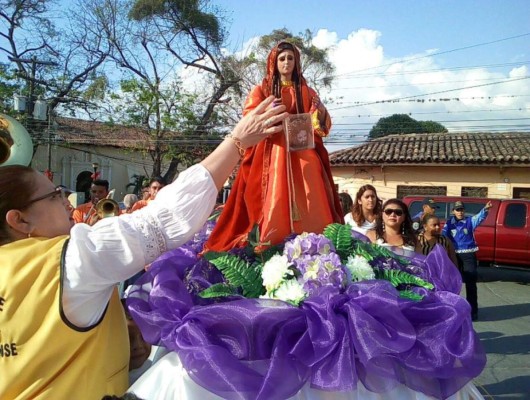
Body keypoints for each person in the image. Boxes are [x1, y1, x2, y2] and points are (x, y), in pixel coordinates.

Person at [0, 95, 288, 399]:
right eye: (54, 196)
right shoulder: (70, 260)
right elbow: (165, 218)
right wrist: (238, 141)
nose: (64, 202)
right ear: (19, 220)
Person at [205, 41, 343, 252]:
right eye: (282, 59)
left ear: (296, 62)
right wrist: (270, 114)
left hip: (302, 146)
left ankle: (317, 236)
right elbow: (250, 117)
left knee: (312, 172)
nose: (286, 62)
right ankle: (272, 235)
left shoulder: (307, 90)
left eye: (290, 58)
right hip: (273, 147)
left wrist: (319, 111)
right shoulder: (262, 89)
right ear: (274, 63)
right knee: (275, 184)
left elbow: (320, 125)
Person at [442, 200, 493, 321]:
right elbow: (443, 238)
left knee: (471, 284)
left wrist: (485, 209)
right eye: (457, 210)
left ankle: (473, 311)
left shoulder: (470, 221)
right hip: (454, 256)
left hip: (468, 255)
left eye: (462, 209)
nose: (460, 212)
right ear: (453, 211)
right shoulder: (448, 224)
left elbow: (479, 217)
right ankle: (453, 311)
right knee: (454, 284)